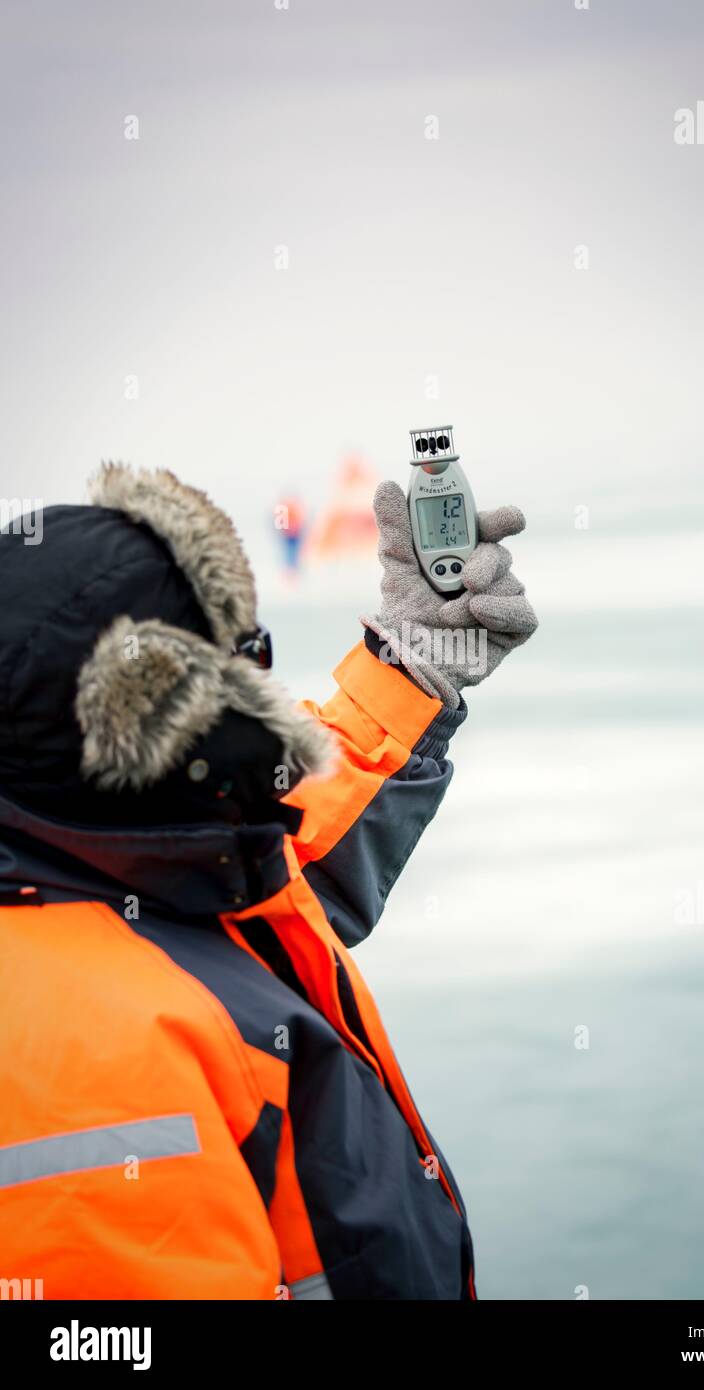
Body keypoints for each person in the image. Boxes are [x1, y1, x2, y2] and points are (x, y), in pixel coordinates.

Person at [0, 462, 537, 1300]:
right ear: (149, 713)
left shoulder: (119, 867)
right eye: (240, 654)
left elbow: (282, 871)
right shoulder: (100, 1064)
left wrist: (413, 667)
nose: (259, 682)